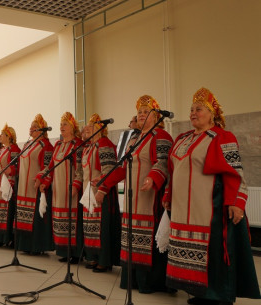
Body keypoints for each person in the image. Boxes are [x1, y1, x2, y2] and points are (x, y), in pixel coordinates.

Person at [162, 88, 260, 305]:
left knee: (213, 250)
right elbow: (172, 170)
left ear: (212, 113)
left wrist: (237, 203)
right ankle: (199, 292)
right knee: (187, 250)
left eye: (199, 109)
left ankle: (217, 296)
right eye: (191, 109)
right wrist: (168, 194)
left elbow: (235, 173)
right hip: (182, 209)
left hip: (210, 207)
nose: (193, 113)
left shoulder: (223, 137)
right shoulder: (181, 138)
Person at [96, 96, 173, 293]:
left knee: (149, 239)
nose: (140, 114)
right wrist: (104, 184)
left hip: (151, 200)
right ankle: (134, 281)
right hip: (132, 201)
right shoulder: (134, 138)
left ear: (156, 116)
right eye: (139, 111)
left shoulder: (161, 136)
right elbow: (122, 167)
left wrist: (153, 177)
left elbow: (163, 162)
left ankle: (152, 283)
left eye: (146, 111)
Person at [74, 113, 121, 272]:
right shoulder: (87, 148)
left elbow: (109, 170)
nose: (88, 130)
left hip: (101, 193)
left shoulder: (104, 144)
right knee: (89, 227)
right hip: (88, 194)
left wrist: (102, 189)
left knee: (101, 228)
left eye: (92, 127)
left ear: (100, 129)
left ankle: (104, 260)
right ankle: (92, 257)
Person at [36, 112, 83, 263]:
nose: (62, 127)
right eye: (61, 124)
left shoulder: (78, 144)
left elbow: (80, 169)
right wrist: (43, 180)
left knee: (72, 220)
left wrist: (76, 185)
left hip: (70, 188)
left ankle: (74, 254)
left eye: (65, 124)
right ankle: (63, 251)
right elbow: (51, 167)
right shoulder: (58, 145)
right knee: (58, 219)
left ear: (73, 128)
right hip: (57, 189)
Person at [15, 114, 54, 254]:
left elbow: (48, 166)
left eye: (35, 127)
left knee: (36, 217)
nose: (31, 129)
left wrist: (42, 180)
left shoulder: (46, 145)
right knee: (22, 214)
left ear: (42, 130)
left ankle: (36, 247)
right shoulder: (26, 145)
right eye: (31, 127)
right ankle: (24, 245)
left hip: (36, 187)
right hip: (23, 187)